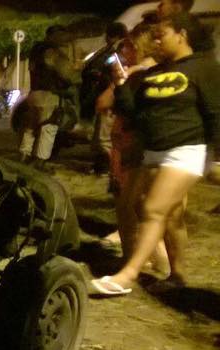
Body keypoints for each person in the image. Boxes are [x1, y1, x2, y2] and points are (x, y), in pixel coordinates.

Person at [92, 13, 220, 295]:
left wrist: (216, 157)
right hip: (152, 151)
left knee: (153, 209)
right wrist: (121, 85)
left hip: (186, 150)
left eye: (162, 36)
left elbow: (215, 112)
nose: (157, 42)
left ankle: (127, 275)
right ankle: (177, 276)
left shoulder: (204, 67)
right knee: (165, 214)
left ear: (182, 35)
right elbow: (133, 112)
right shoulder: (153, 73)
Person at [96, 22, 170, 274]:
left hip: (132, 143)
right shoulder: (164, 71)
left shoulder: (137, 74)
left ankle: (135, 261)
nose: (124, 50)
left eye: (129, 45)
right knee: (142, 204)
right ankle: (157, 261)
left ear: (141, 45)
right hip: (147, 143)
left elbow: (103, 103)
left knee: (129, 205)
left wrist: (117, 82)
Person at [18, 25, 81, 168]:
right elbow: (66, 74)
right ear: (55, 35)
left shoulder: (36, 50)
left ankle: (24, 155)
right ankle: (40, 162)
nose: (64, 39)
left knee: (31, 127)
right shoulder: (52, 51)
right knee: (49, 127)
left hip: (34, 93)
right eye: (62, 36)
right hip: (49, 94)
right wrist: (76, 72)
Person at [81, 22, 129, 175]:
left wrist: (99, 71)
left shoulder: (118, 50)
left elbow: (112, 65)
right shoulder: (112, 50)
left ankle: (108, 167)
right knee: (100, 136)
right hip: (106, 93)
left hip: (111, 94)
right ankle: (101, 165)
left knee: (104, 137)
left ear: (112, 35)